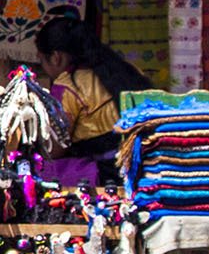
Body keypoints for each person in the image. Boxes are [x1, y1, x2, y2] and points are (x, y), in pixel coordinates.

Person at [32, 15, 151, 180]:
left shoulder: (67, 86)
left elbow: (54, 150)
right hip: (148, 163)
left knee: (37, 170)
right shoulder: (129, 70)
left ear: (55, 57)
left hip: (109, 172)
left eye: (42, 61)